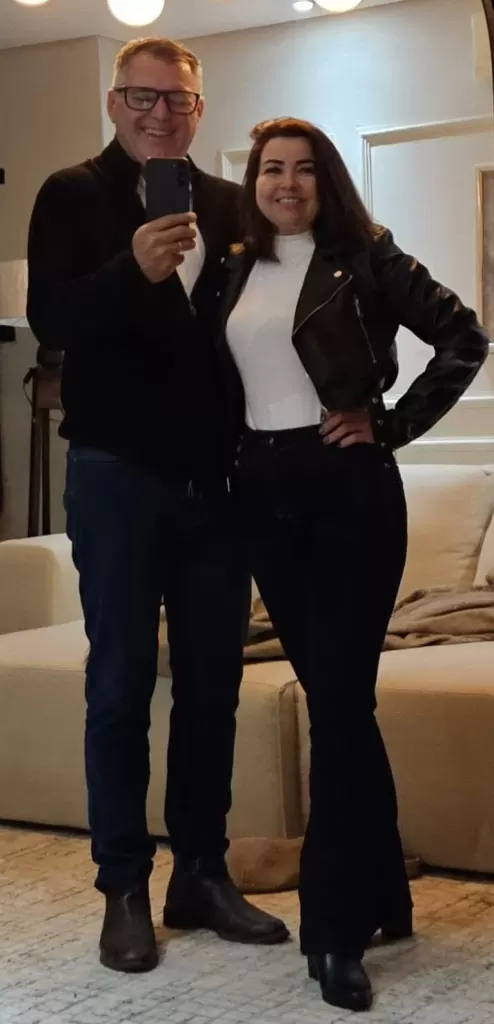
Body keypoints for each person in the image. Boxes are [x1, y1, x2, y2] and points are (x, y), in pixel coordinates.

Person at [26, 38, 289, 974]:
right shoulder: (71, 194)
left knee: (213, 687)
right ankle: (124, 887)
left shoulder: (229, 204)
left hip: (217, 484)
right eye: (142, 97)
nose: (160, 113)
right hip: (116, 476)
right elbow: (51, 321)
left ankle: (201, 874)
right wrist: (126, 269)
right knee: (121, 684)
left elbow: (259, 334)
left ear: (199, 108)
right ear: (114, 102)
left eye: (177, 99)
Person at [219, 117, 490, 1012]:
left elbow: (463, 336)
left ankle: (335, 930)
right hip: (262, 492)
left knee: (334, 712)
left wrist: (392, 423)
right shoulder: (233, 266)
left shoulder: (366, 254)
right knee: (344, 706)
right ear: (253, 181)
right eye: (271, 169)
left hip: (350, 493)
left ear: (327, 180)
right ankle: (387, 896)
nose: (286, 183)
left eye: (304, 169)